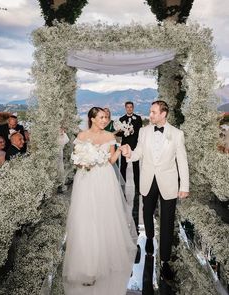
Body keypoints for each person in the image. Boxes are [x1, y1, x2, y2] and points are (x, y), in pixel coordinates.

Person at [63, 107, 136, 295]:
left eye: (106, 117)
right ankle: (88, 266)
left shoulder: (109, 136)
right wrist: (84, 161)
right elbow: (76, 160)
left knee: (104, 218)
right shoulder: (81, 135)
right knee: (86, 219)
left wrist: (119, 149)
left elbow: (111, 160)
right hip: (86, 180)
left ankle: (104, 260)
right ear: (92, 118)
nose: (105, 120)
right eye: (101, 117)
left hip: (104, 179)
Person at [121, 100, 189, 291]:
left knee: (167, 221)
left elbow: (182, 161)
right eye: (150, 112)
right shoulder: (143, 132)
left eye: (153, 112)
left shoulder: (176, 134)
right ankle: (150, 237)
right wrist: (128, 153)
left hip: (168, 182)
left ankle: (165, 261)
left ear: (163, 114)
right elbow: (138, 154)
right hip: (148, 180)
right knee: (147, 211)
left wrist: (184, 185)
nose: (149, 115)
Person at [118, 101, 142, 234]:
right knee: (123, 166)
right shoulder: (121, 119)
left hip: (135, 146)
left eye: (131, 107)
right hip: (125, 146)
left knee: (137, 167)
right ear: (125, 108)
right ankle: (123, 184)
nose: (129, 108)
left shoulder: (138, 118)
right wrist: (125, 132)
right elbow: (119, 133)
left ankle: (138, 186)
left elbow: (139, 131)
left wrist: (132, 130)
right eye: (127, 107)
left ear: (133, 108)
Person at [57, 127, 70, 193]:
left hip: (59, 153)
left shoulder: (64, 135)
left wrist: (62, 134)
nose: (61, 129)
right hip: (54, 153)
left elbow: (65, 141)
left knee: (60, 167)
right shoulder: (53, 134)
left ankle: (61, 185)